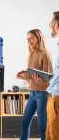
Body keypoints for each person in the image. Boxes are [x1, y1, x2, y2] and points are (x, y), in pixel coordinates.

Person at [16, 29, 53, 140]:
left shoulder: (45, 54)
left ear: (39, 38)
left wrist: (31, 77)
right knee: (25, 122)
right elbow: (32, 74)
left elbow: (49, 79)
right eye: (27, 39)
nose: (29, 41)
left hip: (43, 94)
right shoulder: (32, 53)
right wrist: (23, 74)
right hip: (32, 93)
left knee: (42, 126)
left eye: (31, 38)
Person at [46, 11, 59, 140]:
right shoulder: (57, 47)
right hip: (52, 98)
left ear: (57, 26)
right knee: (49, 135)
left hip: (57, 99)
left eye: (51, 23)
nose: (50, 26)